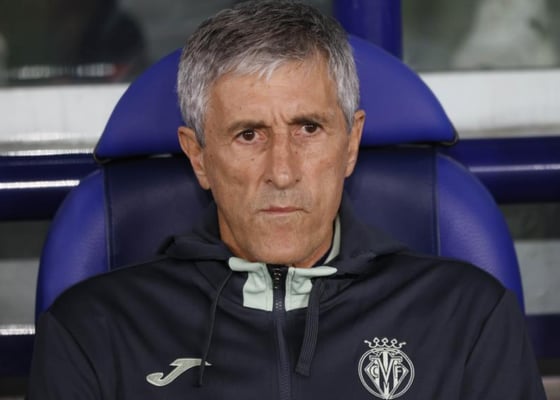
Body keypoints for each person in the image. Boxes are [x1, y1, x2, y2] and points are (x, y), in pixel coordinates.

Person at [28, 1, 546, 398]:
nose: (281, 171)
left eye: (308, 128)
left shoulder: (467, 316)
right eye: (248, 134)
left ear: (351, 144)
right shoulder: (93, 331)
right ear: (199, 156)